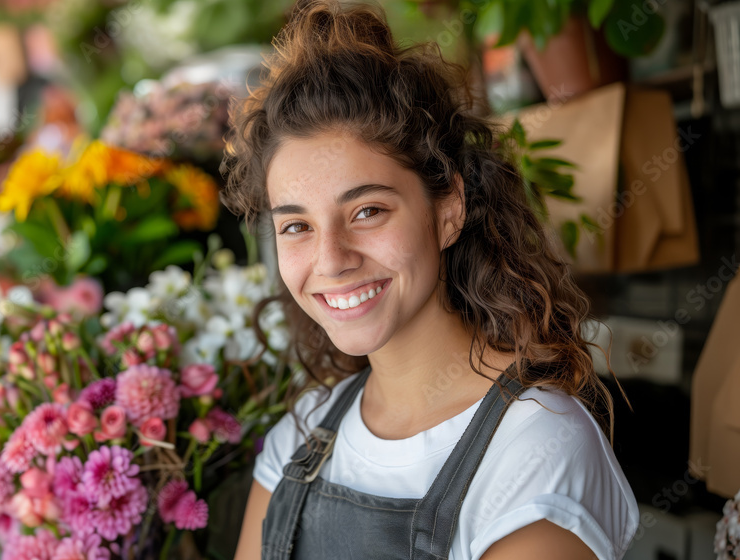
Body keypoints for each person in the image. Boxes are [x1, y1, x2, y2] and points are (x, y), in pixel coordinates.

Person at [218, 1, 639, 559]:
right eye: (296, 225)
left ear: (449, 211)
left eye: (367, 211)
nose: (331, 258)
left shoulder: (535, 445)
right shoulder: (305, 434)